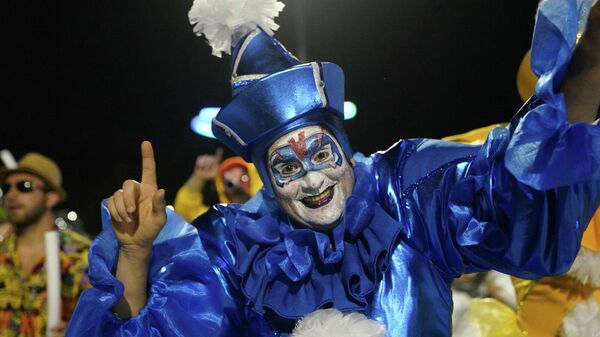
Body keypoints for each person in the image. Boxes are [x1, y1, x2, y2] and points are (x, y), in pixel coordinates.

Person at [67, 0, 600, 335]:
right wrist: (135, 256)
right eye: (287, 166)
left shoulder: (405, 197)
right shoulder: (234, 249)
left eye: (322, 154)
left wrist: (589, 61)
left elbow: (516, 181)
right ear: (268, 181)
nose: (314, 180)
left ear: (345, 146)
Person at [0, 153, 90, 337]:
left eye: (24, 186)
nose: (11, 195)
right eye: (6, 187)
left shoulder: (82, 255)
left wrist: (79, 331)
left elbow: (104, 319)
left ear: (51, 198)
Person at [174, 148, 262, 222]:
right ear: (222, 189)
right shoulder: (220, 221)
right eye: (229, 183)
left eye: (243, 178)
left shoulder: (271, 206)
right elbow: (185, 211)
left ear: (253, 179)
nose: (238, 186)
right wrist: (199, 177)